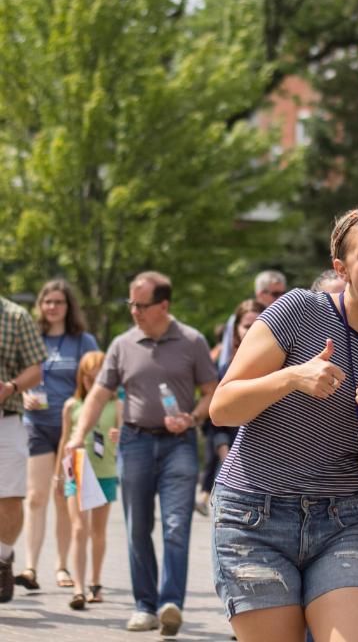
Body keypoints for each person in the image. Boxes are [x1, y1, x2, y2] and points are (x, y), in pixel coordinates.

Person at [210, 206, 358, 642]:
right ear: (341, 269)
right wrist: (292, 377)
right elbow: (223, 407)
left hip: (339, 522)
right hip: (255, 515)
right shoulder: (299, 311)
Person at [65, 271, 218, 636]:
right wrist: (77, 435)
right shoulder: (122, 344)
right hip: (134, 443)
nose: (133, 310)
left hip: (178, 446)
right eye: (130, 303)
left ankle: (169, 604)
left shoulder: (192, 341)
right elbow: (99, 395)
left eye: (141, 304)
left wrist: (193, 417)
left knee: (177, 526)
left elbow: (212, 393)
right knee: (137, 529)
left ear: (163, 305)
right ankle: (144, 606)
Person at [16, 280, 98, 593]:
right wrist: (22, 396)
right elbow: (16, 375)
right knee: (36, 497)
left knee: (65, 497)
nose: (52, 307)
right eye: (47, 301)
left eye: (58, 302)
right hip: (35, 425)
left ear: (68, 306)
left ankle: (62, 565)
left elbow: (97, 382)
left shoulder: (83, 341)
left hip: (71, 429)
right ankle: (30, 566)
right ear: (40, 305)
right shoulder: (31, 336)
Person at [311, 270, 358, 535]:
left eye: (348, 298)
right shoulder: (294, 352)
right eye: (333, 300)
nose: (342, 309)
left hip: (352, 513)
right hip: (290, 506)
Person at [55, 350, 122, 609]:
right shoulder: (72, 406)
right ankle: (79, 589)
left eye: (98, 377)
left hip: (105, 472)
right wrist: (59, 474)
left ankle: (96, 582)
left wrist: (119, 436)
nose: (92, 383)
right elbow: (64, 439)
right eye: (88, 377)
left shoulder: (115, 405)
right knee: (79, 528)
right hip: (79, 470)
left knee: (98, 531)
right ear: (81, 378)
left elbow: (124, 435)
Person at [196, 300, 265, 516]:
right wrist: (227, 456)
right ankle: (205, 495)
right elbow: (217, 420)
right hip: (238, 466)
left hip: (275, 469)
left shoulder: (286, 367)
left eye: (258, 324)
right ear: (235, 331)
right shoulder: (227, 370)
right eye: (246, 325)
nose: (252, 331)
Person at [0, 295, 47, 604]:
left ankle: (2, 559)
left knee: (11, 496)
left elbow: (36, 370)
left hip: (6, 418)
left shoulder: (15, 316)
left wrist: (10, 387)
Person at [217, 270, 288, 374]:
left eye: (283, 293)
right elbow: (226, 355)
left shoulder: (284, 318)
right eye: (275, 294)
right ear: (260, 294)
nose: (281, 298)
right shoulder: (239, 317)